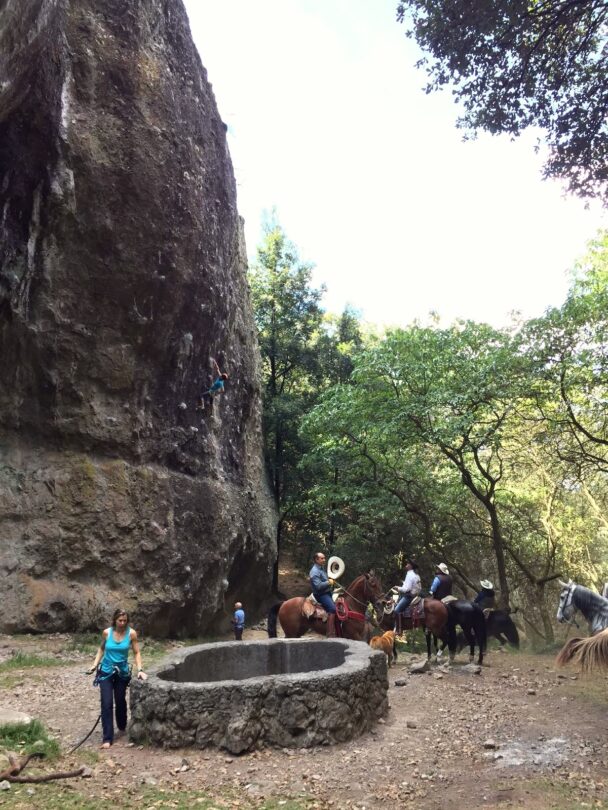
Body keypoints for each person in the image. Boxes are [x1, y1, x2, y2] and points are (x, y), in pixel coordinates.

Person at [88, 608, 147, 749]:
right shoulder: (107, 633)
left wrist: (140, 670)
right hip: (106, 672)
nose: (122, 623)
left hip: (122, 673)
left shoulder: (131, 634)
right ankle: (107, 738)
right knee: (106, 703)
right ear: (115, 620)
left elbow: (137, 652)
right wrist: (94, 665)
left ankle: (122, 725)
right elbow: (102, 649)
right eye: (120, 620)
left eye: (125, 621)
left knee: (120, 700)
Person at [309, 551, 337, 637]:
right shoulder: (314, 571)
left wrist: (330, 581)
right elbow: (318, 586)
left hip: (327, 593)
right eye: (322, 558)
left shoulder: (321, 568)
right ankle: (330, 632)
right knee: (332, 609)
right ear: (316, 560)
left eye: (324, 558)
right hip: (321, 595)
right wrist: (329, 582)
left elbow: (323, 580)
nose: (324, 560)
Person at [393, 560, 421, 636]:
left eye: (408, 563)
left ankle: (399, 630)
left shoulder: (410, 575)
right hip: (416, 595)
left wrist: (398, 588)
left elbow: (406, 589)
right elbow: (418, 587)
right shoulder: (416, 575)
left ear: (410, 566)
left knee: (396, 610)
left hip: (409, 596)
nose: (406, 564)